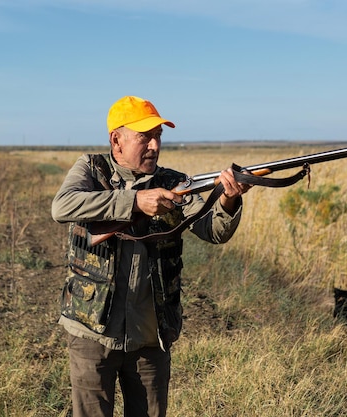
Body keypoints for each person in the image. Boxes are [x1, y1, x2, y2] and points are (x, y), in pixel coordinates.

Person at [51, 95, 251, 417]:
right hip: (92, 331)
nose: (155, 146)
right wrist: (134, 202)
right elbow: (63, 206)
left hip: (150, 336)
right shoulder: (91, 168)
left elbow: (214, 231)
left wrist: (228, 199)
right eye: (145, 137)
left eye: (158, 136)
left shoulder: (174, 183)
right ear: (116, 140)